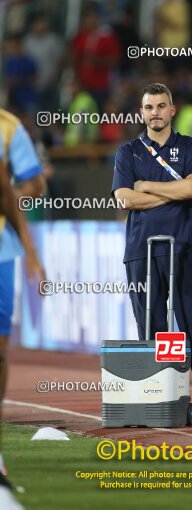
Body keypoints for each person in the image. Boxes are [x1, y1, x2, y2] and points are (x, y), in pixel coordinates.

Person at [112, 82, 192, 425]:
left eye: (161, 106)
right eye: (148, 107)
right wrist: (173, 192)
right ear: (142, 112)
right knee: (152, 330)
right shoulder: (128, 152)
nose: (155, 112)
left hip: (183, 248)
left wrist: (148, 187)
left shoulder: (189, 146)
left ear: (172, 111)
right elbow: (124, 199)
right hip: (141, 252)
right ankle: (157, 405)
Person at [0, 108, 45, 476]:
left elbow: (32, 185)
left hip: (1, 249)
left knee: (0, 347)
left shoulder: (8, 128)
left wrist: (30, 252)